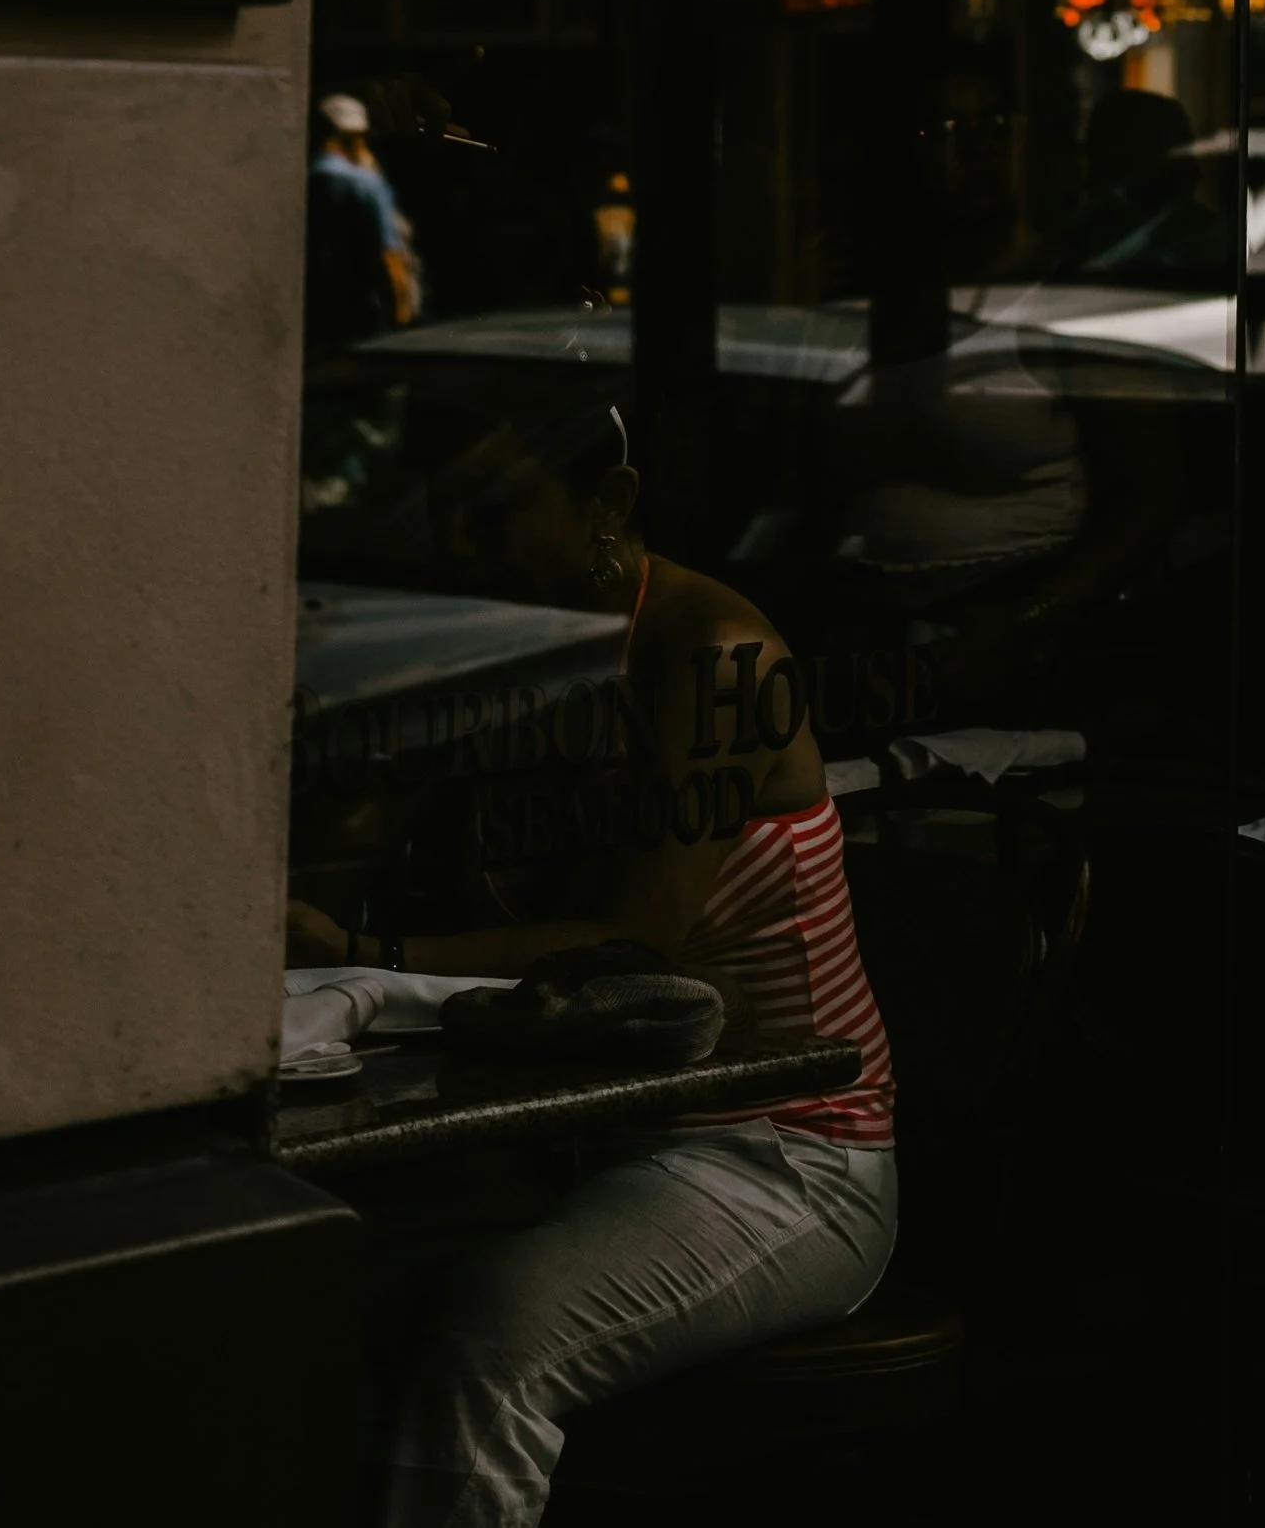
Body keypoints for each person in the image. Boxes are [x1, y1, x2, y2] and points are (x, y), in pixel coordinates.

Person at [286, 392, 896, 1526]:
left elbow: (632, 946)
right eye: (447, 521)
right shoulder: (532, 650)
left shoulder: (713, 654)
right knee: (314, 1293)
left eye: (498, 513)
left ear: (608, 506)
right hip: (586, 1133)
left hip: (779, 1155)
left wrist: (363, 954)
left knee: (489, 1337)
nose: (466, 549)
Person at [305, 93, 420, 355]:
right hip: (361, 310)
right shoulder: (363, 183)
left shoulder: (305, 178)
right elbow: (387, 256)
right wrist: (401, 314)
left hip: (315, 309)